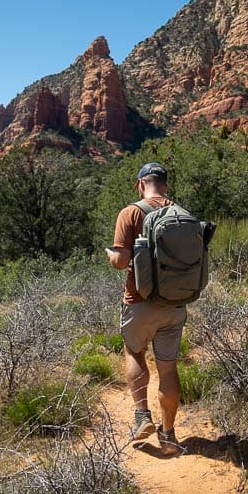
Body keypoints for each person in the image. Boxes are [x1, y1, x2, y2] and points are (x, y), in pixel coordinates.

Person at [104, 162, 185, 455]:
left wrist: (111, 256)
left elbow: (122, 261)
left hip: (139, 301)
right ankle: (169, 435)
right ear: (165, 184)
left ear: (141, 184)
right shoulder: (182, 214)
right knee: (168, 368)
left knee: (134, 352)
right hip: (175, 303)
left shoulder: (131, 212)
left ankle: (141, 418)